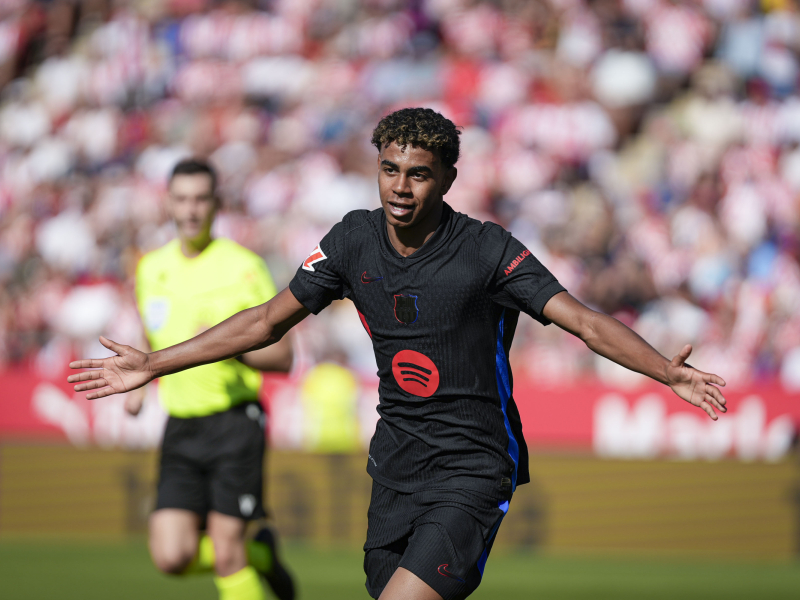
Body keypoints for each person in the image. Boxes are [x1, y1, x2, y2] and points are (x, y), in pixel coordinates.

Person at [69, 108, 727, 600]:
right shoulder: (353, 240)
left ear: (446, 179)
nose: (401, 187)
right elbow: (269, 320)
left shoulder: (489, 250)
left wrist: (665, 371)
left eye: (418, 174)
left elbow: (581, 320)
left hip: (473, 468)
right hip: (395, 467)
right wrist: (155, 364)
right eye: (390, 169)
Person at [127, 158, 295, 600]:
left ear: (217, 203)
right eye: (182, 199)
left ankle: (241, 555)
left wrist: (225, 343)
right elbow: (153, 331)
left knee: (224, 553)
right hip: (181, 426)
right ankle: (260, 556)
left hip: (234, 424)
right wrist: (141, 382)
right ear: (168, 203)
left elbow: (283, 356)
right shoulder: (151, 268)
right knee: (171, 555)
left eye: (201, 199)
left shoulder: (243, 266)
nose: (191, 210)